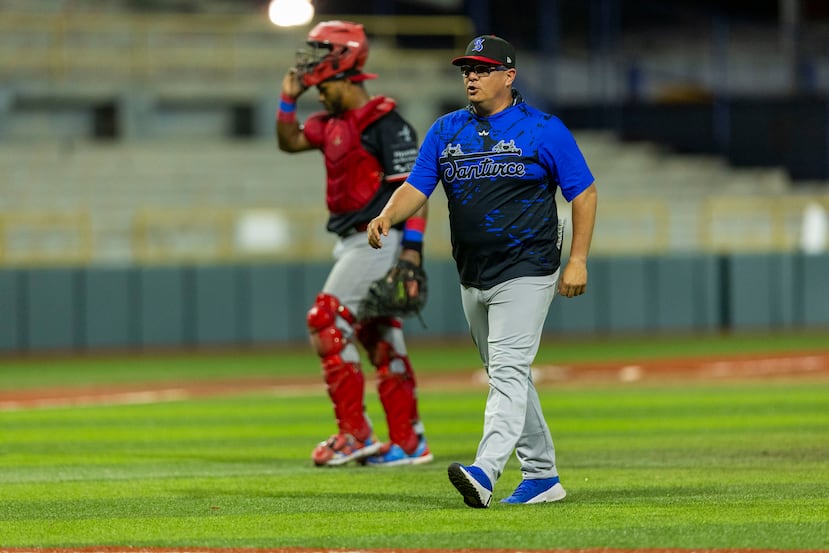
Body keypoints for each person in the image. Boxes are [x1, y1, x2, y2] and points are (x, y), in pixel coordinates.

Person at [367, 35, 597, 505]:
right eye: (466, 69)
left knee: (509, 370)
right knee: (506, 374)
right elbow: (417, 186)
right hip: (473, 271)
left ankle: (485, 472)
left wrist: (577, 259)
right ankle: (543, 476)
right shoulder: (447, 129)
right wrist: (389, 215)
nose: (470, 76)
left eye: (482, 68)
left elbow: (584, 192)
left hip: (529, 267)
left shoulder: (543, 129)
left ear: (508, 76)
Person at [276, 20, 432, 467]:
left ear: (342, 67)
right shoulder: (330, 123)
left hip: (378, 239)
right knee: (377, 334)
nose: (316, 87)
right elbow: (288, 141)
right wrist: (288, 98)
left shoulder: (387, 123)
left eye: (323, 79)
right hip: (351, 241)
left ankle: (354, 434)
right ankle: (408, 441)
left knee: (326, 319)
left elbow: (417, 193)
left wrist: (410, 252)